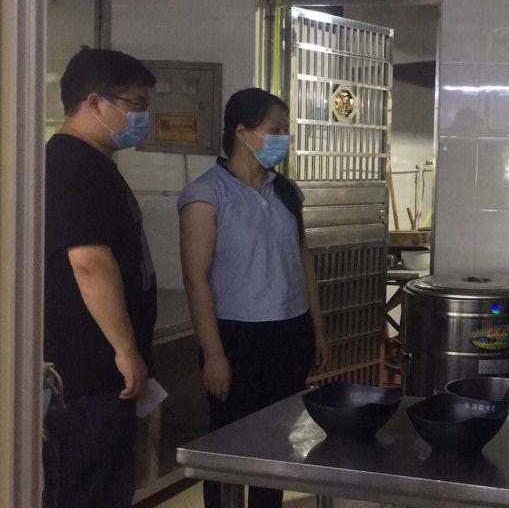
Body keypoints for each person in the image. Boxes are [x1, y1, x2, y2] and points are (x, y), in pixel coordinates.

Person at [178, 87, 328, 508]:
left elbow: (303, 260)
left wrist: (317, 328)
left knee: (275, 441)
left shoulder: (286, 192)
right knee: (228, 444)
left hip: (290, 331)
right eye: (275, 130)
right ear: (242, 133)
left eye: (285, 130)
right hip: (236, 337)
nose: (284, 138)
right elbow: (196, 280)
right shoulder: (206, 194)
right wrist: (214, 354)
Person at [44, 48, 158, 508]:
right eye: (136, 104)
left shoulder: (95, 163)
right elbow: (89, 262)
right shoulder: (69, 165)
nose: (143, 117)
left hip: (106, 374)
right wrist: (125, 350)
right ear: (95, 102)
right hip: (89, 373)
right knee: (89, 489)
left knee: (109, 485)